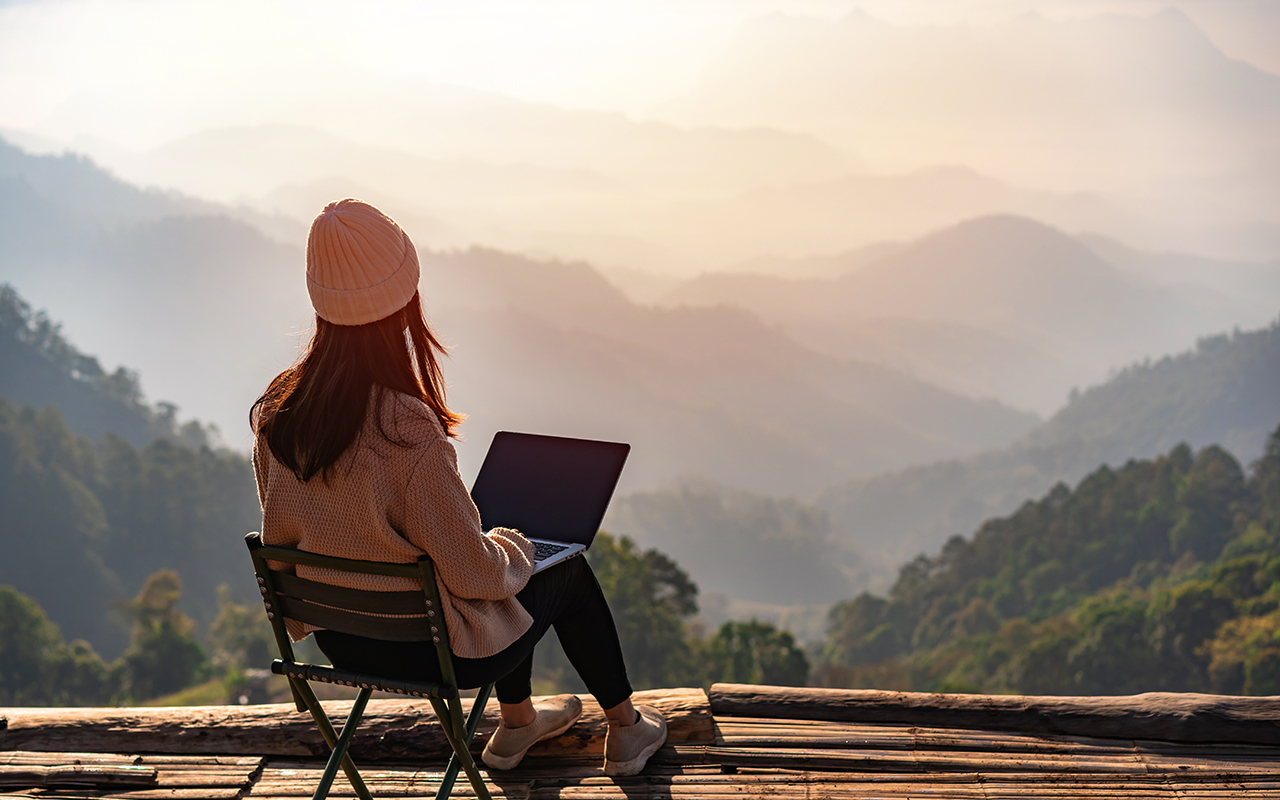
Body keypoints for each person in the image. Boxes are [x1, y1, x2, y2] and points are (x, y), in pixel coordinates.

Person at [250, 199, 667, 776]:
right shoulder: (405, 427)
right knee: (560, 569)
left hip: (340, 641)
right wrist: (513, 548)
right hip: (435, 652)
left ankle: (518, 724)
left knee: (503, 565)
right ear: (405, 300)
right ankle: (627, 729)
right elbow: (474, 575)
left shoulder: (279, 416)